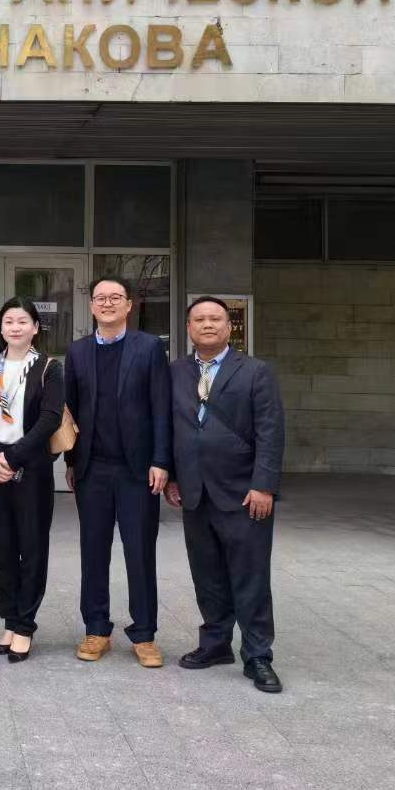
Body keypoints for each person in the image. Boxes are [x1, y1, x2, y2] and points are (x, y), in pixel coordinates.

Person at [166, 296, 286, 694]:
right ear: (189, 328)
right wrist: (172, 477)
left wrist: (264, 484)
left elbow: (270, 430)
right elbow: (170, 426)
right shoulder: (176, 372)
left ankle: (258, 655)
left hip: (244, 492)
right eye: (199, 319)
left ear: (228, 326)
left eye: (215, 318)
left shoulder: (255, 371)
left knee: (250, 576)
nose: (207, 324)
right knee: (207, 574)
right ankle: (215, 643)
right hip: (195, 491)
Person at [64, 276, 172, 666]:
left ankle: (145, 634)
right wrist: (72, 462)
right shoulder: (77, 351)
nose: (107, 303)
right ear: (92, 305)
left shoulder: (148, 348)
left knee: (140, 552)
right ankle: (96, 629)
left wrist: (161, 460)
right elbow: (70, 411)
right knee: (93, 552)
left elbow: (161, 407)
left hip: (137, 471)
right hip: (92, 469)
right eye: (100, 298)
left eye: (115, 297)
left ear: (129, 305)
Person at [0, 296, 64, 663]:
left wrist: (12, 457)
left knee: (32, 548)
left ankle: (25, 625)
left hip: (31, 468)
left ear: (35, 327)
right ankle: (9, 620)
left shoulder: (49, 368)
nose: (15, 327)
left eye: (23, 321)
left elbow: (50, 418)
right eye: (8, 321)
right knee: (2, 551)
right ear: (1, 328)